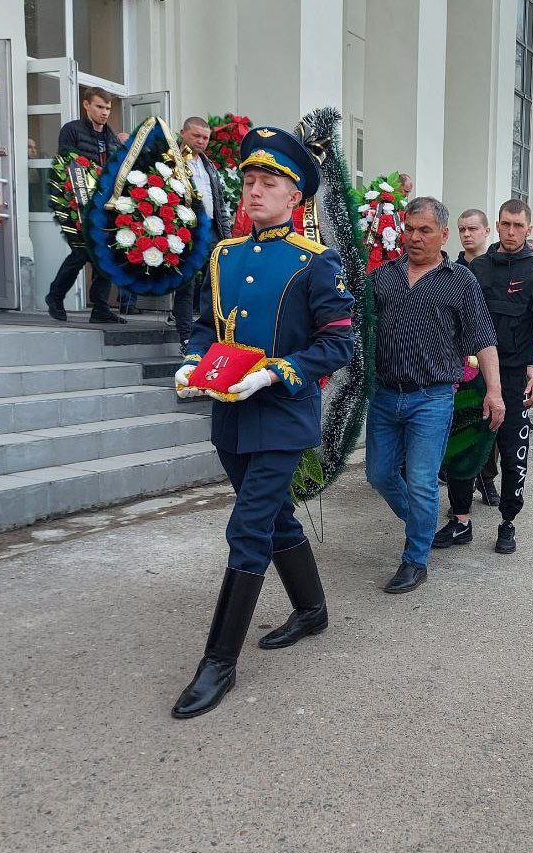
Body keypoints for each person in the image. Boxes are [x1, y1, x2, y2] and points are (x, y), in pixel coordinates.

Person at [170, 126, 356, 719]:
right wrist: (194, 358)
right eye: (248, 181)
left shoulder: (316, 262)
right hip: (230, 414)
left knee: (246, 528)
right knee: (272, 517)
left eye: (268, 182)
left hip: (280, 417)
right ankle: (313, 609)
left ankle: (218, 663)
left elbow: (339, 343)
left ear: (294, 196)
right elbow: (207, 323)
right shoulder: (224, 256)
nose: (254, 191)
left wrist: (277, 373)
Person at [366, 197, 501, 593]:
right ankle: (422, 525)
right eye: (409, 228)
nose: (414, 237)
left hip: (432, 398)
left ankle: (415, 560)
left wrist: (494, 390)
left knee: (423, 481)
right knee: (379, 474)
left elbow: (483, 338)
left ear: (443, 235)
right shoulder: (383, 277)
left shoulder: (461, 280)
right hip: (386, 397)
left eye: (424, 230)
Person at [437, 198, 533, 555]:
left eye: (518, 226)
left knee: (512, 454)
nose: (511, 232)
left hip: (511, 379)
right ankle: (460, 520)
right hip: (470, 376)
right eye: (505, 224)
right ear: (497, 225)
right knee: (461, 448)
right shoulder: (476, 269)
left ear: (529, 229)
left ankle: (508, 521)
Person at [44, 87, 125, 324]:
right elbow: (65, 162)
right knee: (82, 252)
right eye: (99, 107)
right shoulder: (72, 130)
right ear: (86, 105)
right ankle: (56, 296)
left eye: (108, 108)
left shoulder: (110, 136)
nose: (104, 112)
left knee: (105, 256)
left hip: (103, 207)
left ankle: (99, 308)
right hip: (76, 203)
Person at [168, 116, 232, 347]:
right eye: (196, 136)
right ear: (182, 133)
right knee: (186, 285)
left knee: (214, 284)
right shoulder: (171, 163)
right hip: (187, 232)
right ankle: (186, 336)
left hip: (213, 232)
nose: (201, 141)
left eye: (205, 137)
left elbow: (219, 202)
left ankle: (208, 333)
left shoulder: (208, 165)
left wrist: (226, 236)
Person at [455, 207, 501, 506]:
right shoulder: (451, 269)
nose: (467, 235)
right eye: (462, 230)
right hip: (458, 358)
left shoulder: (498, 269)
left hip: (489, 355)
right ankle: (460, 483)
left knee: (489, 422)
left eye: (473, 229)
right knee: (461, 420)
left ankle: (486, 478)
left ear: (487, 231)